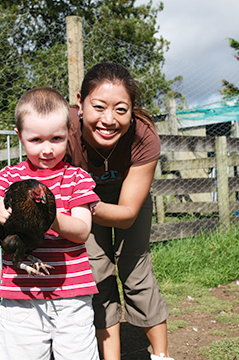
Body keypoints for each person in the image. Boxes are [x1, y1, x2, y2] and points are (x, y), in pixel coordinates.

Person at [0, 87, 101, 360]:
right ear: (19, 136)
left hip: (72, 293)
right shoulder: (6, 178)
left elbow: (82, 231)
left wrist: (49, 216)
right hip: (20, 295)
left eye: (56, 138)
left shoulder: (77, 179)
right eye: (36, 140)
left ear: (70, 133)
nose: (47, 149)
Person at [65, 62, 173, 360]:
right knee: (96, 271)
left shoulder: (144, 135)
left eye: (121, 110)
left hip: (124, 200)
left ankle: (162, 356)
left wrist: (85, 205)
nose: (108, 120)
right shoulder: (64, 130)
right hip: (82, 204)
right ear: (80, 103)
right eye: (98, 107)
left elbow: (127, 212)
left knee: (136, 269)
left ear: (133, 109)